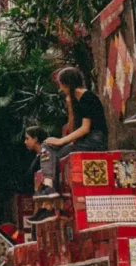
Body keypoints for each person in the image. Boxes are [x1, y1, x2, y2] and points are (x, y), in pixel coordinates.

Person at [37, 67, 108, 195]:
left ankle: (51, 191)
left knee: (57, 158)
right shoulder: (75, 99)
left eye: (62, 85)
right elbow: (72, 129)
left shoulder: (88, 97)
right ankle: (49, 187)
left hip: (94, 140)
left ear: (68, 84)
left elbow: (85, 128)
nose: (61, 89)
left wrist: (61, 141)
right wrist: (70, 106)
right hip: (82, 140)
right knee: (47, 147)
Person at [23, 125, 51, 195]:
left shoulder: (45, 155)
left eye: (27, 138)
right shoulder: (38, 155)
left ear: (35, 139)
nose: (25, 142)